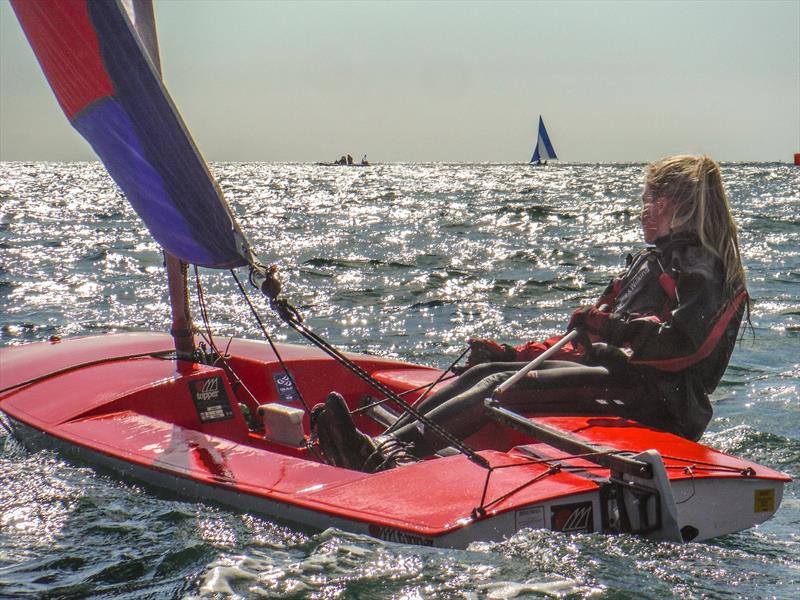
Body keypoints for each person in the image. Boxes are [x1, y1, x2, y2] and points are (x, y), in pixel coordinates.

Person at [313, 155, 750, 472]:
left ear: (679, 204)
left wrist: (608, 328)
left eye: (651, 198)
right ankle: (384, 444)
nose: (642, 209)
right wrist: (512, 351)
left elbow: (684, 345)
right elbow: (580, 343)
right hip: (616, 379)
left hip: (656, 402)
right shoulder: (651, 261)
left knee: (497, 389)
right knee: (479, 374)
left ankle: (387, 455)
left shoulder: (704, 267)